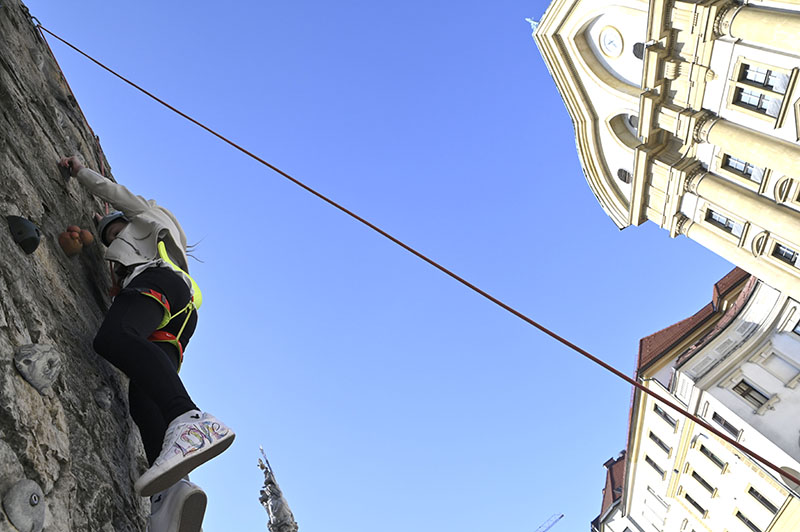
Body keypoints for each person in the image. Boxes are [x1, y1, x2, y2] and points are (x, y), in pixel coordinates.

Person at [60, 155, 234, 532]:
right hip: (181, 315)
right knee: (143, 396)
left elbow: (115, 193)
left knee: (113, 337)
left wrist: (80, 171)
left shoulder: (147, 216)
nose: (112, 239)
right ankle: (172, 492)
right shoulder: (160, 250)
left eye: (115, 232)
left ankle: (188, 418)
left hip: (160, 286)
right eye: (108, 239)